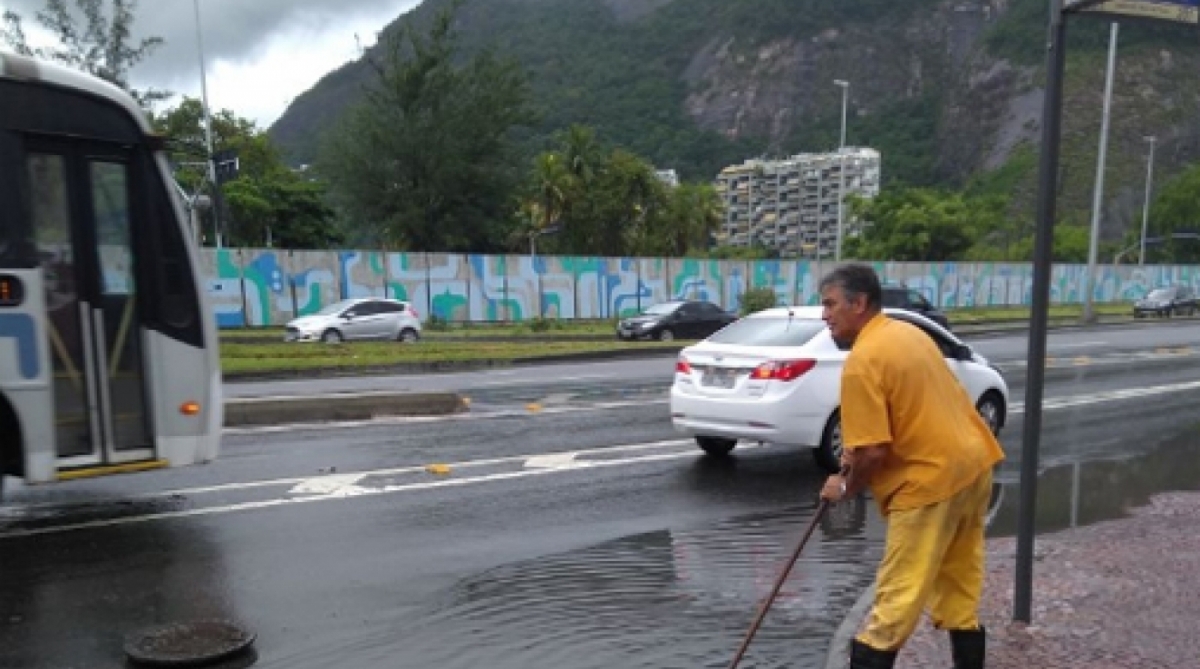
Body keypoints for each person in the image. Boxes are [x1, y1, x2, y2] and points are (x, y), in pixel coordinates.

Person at [817, 264, 1004, 669]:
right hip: (973, 467)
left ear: (859, 303)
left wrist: (844, 488)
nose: (824, 315)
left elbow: (872, 453)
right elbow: (910, 412)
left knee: (897, 597)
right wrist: (854, 457)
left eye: (830, 305)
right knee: (959, 585)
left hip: (928, 483)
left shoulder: (864, 360)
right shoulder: (907, 334)